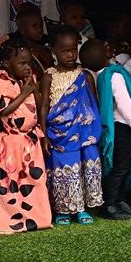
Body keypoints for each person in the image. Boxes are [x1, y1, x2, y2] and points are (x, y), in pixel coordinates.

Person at [0, 38, 51, 234]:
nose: (27, 67)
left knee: (34, 180)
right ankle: (7, 221)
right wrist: (24, 93)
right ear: (6, 63)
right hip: (11, 140)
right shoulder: (2, 78)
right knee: (9, 182)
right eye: (22, 63)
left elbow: (39, 107)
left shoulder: (29, 80)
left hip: (30, 140)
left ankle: (36, 220)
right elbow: (3, 110)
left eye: (29, 62)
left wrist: (33, 88)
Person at [81, 39, 131, 221]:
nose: (110, 48)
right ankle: (110, 204)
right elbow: (125, 106)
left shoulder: (102, 75)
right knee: (120, 168)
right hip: (123, 127)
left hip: (116, 127)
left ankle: (119, 201)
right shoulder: (115, 75)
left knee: (120, 167)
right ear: (105, 55)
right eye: (106, 47)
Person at [39, 27, 104, 225]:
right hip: (60, 133)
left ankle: (82, 208)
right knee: (64, 168)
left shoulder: (85, 75)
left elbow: (93, 105)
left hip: (84, 134)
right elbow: (43, 108)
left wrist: (95, 130)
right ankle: (62, 210)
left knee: (83, 167)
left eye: (73, 50)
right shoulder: (48, 76)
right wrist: (44, 134)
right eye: (65, 51)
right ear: (54, 51)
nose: (70, 55)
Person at [11, 4, 53, 77]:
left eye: (41, 25)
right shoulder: (17, 51)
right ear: (21, 29)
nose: (39, 29)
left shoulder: (47, 45)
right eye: (34, 26)